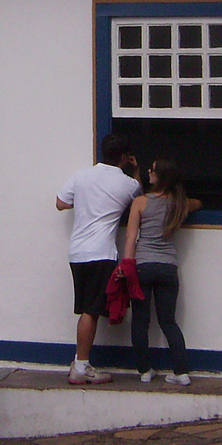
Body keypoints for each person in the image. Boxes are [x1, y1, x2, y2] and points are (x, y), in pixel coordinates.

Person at [56, 134, 142, 384]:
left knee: (86, 309)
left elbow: (61, 203)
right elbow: (140, 199)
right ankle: (82, 367)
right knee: (91, 312)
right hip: (101, 253)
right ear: (125, 157)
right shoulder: (128, 184)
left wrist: (86, 203)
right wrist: (135, 170)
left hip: (78, 251)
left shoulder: (81, 176)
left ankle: (79, 361)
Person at [123, 158, 203, 386]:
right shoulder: (180, 204)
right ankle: (181, 372)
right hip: (168, 266)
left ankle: (145, 371)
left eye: (152, 170)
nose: (149, 171)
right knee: (169, 321)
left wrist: (127, 265)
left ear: (160, 177)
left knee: (140, 321)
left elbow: (130, 237)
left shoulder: (140, 202)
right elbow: (198, 203)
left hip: (143, 265)